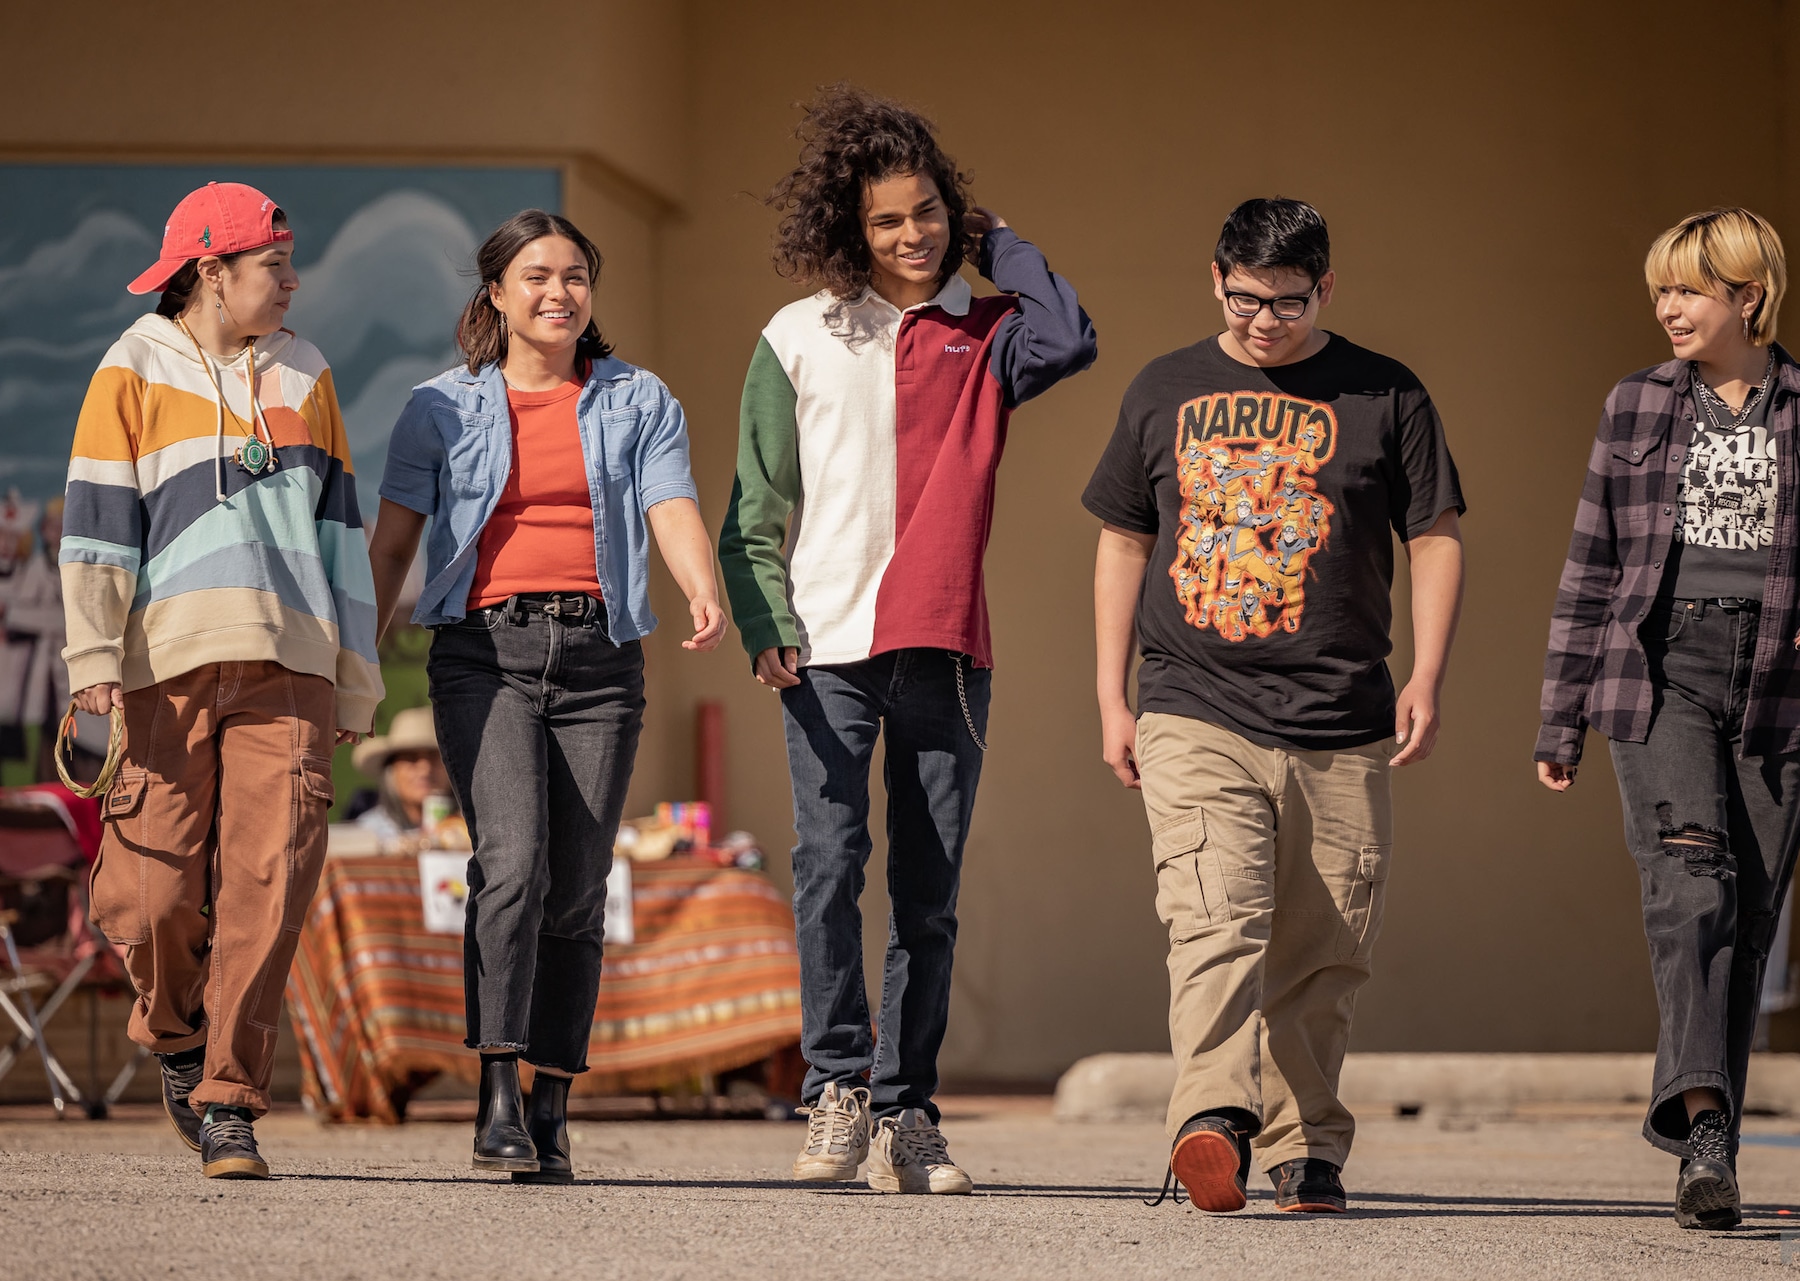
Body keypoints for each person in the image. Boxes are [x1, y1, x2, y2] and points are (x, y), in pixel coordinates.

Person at [718, 85, 1096, 1195]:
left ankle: (909, 1109)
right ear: (851, 228)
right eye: (888, 219)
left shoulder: (988, 332)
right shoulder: (797, 335)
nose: (913, 234)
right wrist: (765, 621)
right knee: (830, 867)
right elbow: (754, 500)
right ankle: (836, 1085)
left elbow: (1071, 336)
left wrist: (1002, 246)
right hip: (825, 645)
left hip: (945, 645)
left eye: (929, 211)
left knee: (927, 894)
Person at [1086, 197, 1465, 1214]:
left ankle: (1309, 1150)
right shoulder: (1163, 388)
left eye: (1288, 303)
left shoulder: (1388, 392)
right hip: (1192, 703)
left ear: (1326, 288)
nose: (1265, 321)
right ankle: (1211, 1120)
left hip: (1343, 715)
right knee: (1213, 919)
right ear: (1215, 277)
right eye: (1248, 299)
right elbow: (1123, 539)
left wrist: (1427, 671)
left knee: (1326, 944)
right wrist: (1109, 694)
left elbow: (1434, 536)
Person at [1535, 207, 1800, 1230]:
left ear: (1748, 296)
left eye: (1687, 290)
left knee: (1748, 913)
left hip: (1781, 679)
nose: (1667, 309)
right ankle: (1707, 1126)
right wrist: (1561, 715)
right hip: (1657, 672)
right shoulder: (1635, 405)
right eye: (1661, 292)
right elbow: (1592, 567)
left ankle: (1708, 1133)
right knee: (1690, 889)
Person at [368, 209, 725, 1185]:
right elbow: (395, 538)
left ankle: (552, 1100)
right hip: (484, 652)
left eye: (574, 276)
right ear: (496, 293)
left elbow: (670, 501)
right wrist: (366, 639)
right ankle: (495, 1095)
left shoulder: (636, 399)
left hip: (601, 655)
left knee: (577, 884)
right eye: (536, 275)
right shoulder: (437, 407)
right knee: (513, 864)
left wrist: (698, 581)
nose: (558, 292)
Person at [60, 181, 382, 1178]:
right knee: (154, 895)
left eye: (289, 264)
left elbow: (342, 534)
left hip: (291, 665)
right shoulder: (132, 366)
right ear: (210, 269)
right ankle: (174, 1033)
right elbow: (98, 523)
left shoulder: (309, 372)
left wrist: (356, 680)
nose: (291, 283)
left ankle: (233, 1097)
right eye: (272, 266)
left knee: (270, 880)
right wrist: (92, 663)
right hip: (165, 665)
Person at [348, 705, 451, 843]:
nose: (425, 769)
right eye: (411, 758)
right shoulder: (367, 833)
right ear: (391, 771)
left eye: (434, 757)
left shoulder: (474, 829)